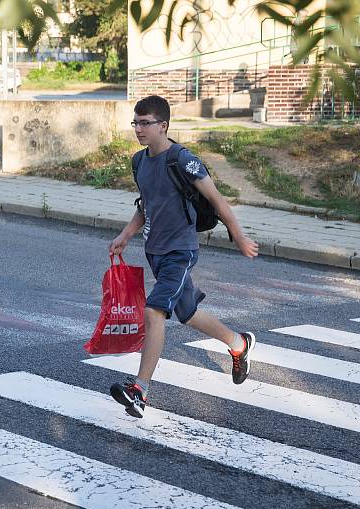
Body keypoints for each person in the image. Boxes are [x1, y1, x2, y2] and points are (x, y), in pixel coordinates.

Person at [108, 95, 259, 418]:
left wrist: (240, 236)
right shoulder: (139, 162)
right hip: (156, 252)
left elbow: (217, 200)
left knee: (154, 311)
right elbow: (146, 206)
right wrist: (125, 235)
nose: (139, 129)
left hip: (180, 250)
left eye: (145, 123)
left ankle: (140, 391)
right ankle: (239, 343)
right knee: (188, 313)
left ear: (163, 125)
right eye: (136, 122)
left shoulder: (183, 160)